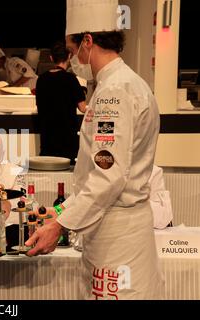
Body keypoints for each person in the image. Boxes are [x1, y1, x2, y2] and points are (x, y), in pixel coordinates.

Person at [26, 0, 163, 300]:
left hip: (119, 240)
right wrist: (63, 209)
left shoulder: (114, 91)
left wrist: (60, 225)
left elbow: (108, 177)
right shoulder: (123, 84)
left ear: (88, 41)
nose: (72, 58)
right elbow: (100, 172)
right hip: (117, 233)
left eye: (73, 50)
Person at [35, 41, 86, 164]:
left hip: (48, 137)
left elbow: (39, 106)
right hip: (67, 137)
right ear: (69, 57)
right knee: (68, 173)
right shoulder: (71, 79)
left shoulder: (41, 79)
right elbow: (83, 107)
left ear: (51, 58)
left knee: (48, 172)